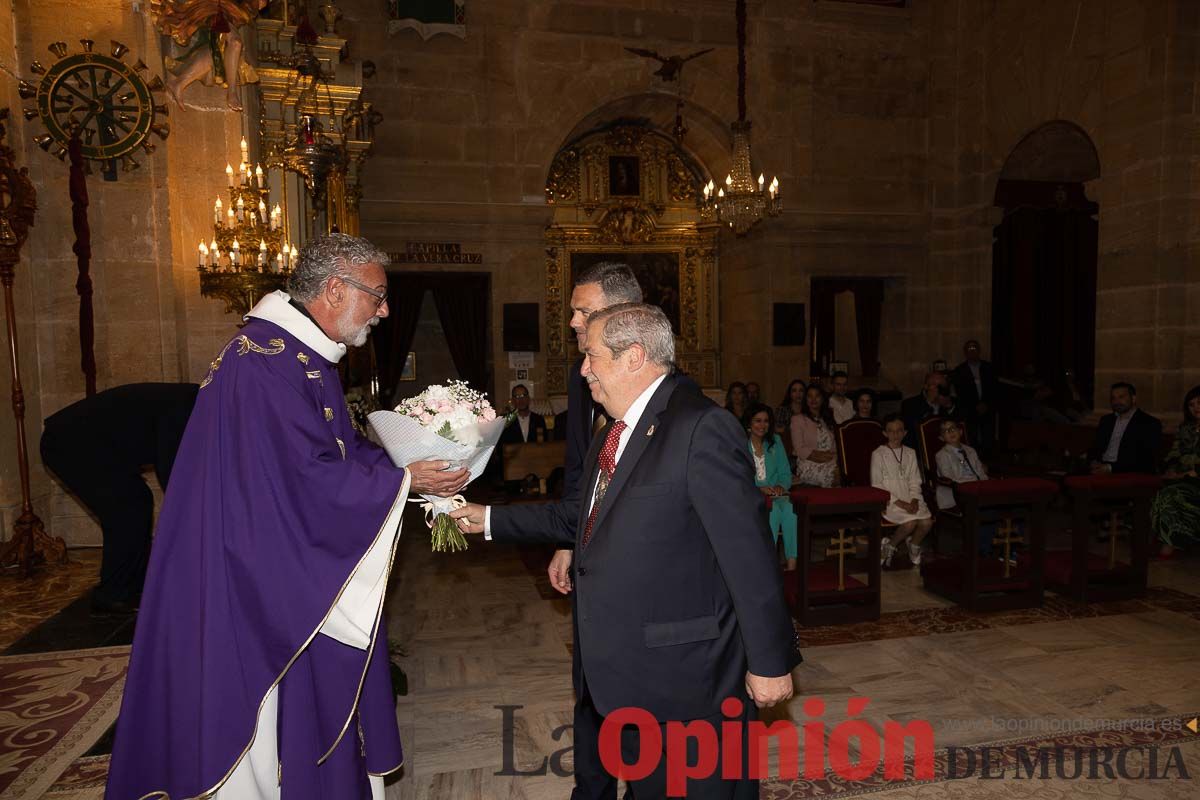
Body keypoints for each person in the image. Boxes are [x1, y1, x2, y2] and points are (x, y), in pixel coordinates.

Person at [105, 235, 470, 800]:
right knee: (260, 719)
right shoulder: (266, 365)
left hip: (265, 555)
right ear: (333, 289)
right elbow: (301, 481)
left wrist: (403, 460)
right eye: (377, 296)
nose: (384, 310)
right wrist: (404, 480)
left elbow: (327, 457)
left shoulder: (298, 355)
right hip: (246, 574)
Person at [451, 303, 798, 798]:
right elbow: (581, 518)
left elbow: (750, 555)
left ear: (633, 356)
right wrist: (488, 518)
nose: (583, 368)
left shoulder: (701, 428)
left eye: (591, 356)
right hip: (630, 675)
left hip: (687, 680)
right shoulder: (611, 433)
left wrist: (768, 660)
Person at [493, 261, 645, 800]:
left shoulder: (656, 380)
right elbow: (581, 464)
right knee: (588, 682)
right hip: (589, 557)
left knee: (637, 689)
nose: (574, 323)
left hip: (638, 571)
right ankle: (594, 788)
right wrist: (565, 539)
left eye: (583, 312)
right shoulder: (584, 374)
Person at [40, 382, 199, 615]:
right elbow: (172, 473)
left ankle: (132, 585)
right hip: (67, 442)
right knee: (128, 507)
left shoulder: (192, 402)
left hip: (91, 446)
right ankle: (113, 594)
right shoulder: (186, 407)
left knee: (135, 500)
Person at [872, 414, 933, 567]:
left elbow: (915, 480)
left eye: (899, 431)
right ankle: (890, 545)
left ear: (905, 433)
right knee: (910, 523)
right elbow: (877, 484)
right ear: (885, 433)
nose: (895, 434)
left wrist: (914, 500)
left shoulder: (910, 453)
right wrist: (901, 503)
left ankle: (914, 544)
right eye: (891, 431)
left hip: (910, 498)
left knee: (926, 522)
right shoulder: (878, 454)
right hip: (889, 500)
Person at [748, 403, 797, 571]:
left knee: (791, 510)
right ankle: (768, 565)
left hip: (777, 493)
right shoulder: (741, 444)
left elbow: (785, 473)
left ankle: (791, 564)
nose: (762, 425)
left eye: (766, 421)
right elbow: (740, 477)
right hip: (753, 494)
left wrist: (781, 486)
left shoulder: (775, 441)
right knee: (773, 510)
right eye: (758, 421)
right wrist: (759, 489)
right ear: (749, 423)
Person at [1152, 385, 1200, 558]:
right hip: (1181, 475)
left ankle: (1169, 543)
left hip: (1196, 479)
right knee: (1157, 489)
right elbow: (1174, 452)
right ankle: (1160, 538)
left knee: (1171, 494)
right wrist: (1170, 469)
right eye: (1191, 405)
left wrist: (1183, 474)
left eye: (1199, 403)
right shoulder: (1185, 428)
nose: (1196, 408)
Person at [1089, 382, 1162, 474]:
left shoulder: (1149, 423)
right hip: (1101, 467)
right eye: (1113, 398)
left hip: (1126, 472)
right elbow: (1095, 447)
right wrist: (1093, 461)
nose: (1116, 402)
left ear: (1133, 398)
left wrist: (1110, 468)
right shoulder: (1106, 421)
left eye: (1121, 397)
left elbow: (1145, 459)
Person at [950, 340, 999, 454]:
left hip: (987, 408)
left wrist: (986, 404)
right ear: (965, 352)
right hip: (969, 410)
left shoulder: (988, 367)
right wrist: (974, 405)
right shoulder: (960, 370)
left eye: (974, 349)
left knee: (988, 437)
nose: (972, 352)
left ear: (979, 350)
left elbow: (994, 388)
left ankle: (989, 461)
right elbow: (960, 392)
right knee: (971, 438)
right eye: (969, 349)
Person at [792, 385, 839, 488]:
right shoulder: (797, 419)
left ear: (822, 399)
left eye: (817, 396)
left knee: (843, 471)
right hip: (808, 463)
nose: (813, 399)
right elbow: (799, 449)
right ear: (806, 399)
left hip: (830, 461)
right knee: (835, 475)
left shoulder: (828, 419)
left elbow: (835, 447)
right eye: (809, 396)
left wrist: (832, 458)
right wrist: (821, 456)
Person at [900, 371, 957, 449]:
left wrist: (948, 406)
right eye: (934, 385)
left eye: (941, 385)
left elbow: (960, 427)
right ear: (925, 386)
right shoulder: (910, 404)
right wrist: (930, 403)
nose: (938, 389)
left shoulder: (952, 402)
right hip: (921, 451)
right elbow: (911, 433)